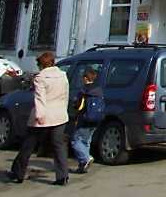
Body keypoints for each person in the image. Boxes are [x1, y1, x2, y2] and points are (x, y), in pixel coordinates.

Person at [7, 51, 70, 186]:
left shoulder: (40, 78)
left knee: (28, 145)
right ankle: (63, 176)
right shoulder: (63, 75)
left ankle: (18, 173)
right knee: (58, 146)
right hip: (60, 115)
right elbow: (65, 95)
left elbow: (40, 99)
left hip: (44, 116)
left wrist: (39, 117)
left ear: (41, 65)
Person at [71, 68, 104, 174]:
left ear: (85, 78)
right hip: (96, 119)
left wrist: (74, 107)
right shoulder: (99, 90)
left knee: (76, 141)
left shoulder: (84, 90)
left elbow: (78, 106)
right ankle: (83, 165)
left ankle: (86, 158)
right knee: (86, 141)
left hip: (85, 119)